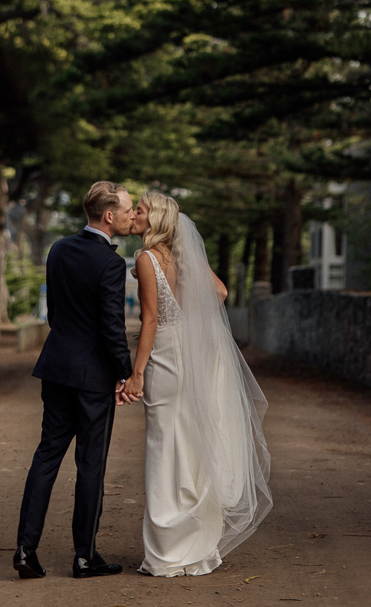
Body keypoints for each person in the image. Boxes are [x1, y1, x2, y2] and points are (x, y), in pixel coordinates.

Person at [122, 192, 273, 577]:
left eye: (139, 210)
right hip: (199, 355)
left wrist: (136, 373)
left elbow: (151, 321)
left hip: (169, 356)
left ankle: (166, 551)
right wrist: (193, 311)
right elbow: (220, 292)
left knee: (163, 446)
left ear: (154, 218)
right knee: (193, 444)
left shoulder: (146, 258)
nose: (134, 215)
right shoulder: (184, 257)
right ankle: (197, 545)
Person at [13, 181, 136, 580]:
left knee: (46, 456)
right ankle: (85, 557)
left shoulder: (59, 249)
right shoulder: (111, 264)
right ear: (109, 216)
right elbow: (111, 328)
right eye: (128, 209)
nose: (132, 215)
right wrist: (125, 372)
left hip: (57, 366)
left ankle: (25, 552)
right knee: (90, 465)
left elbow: (55, 314)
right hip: (93, 376)